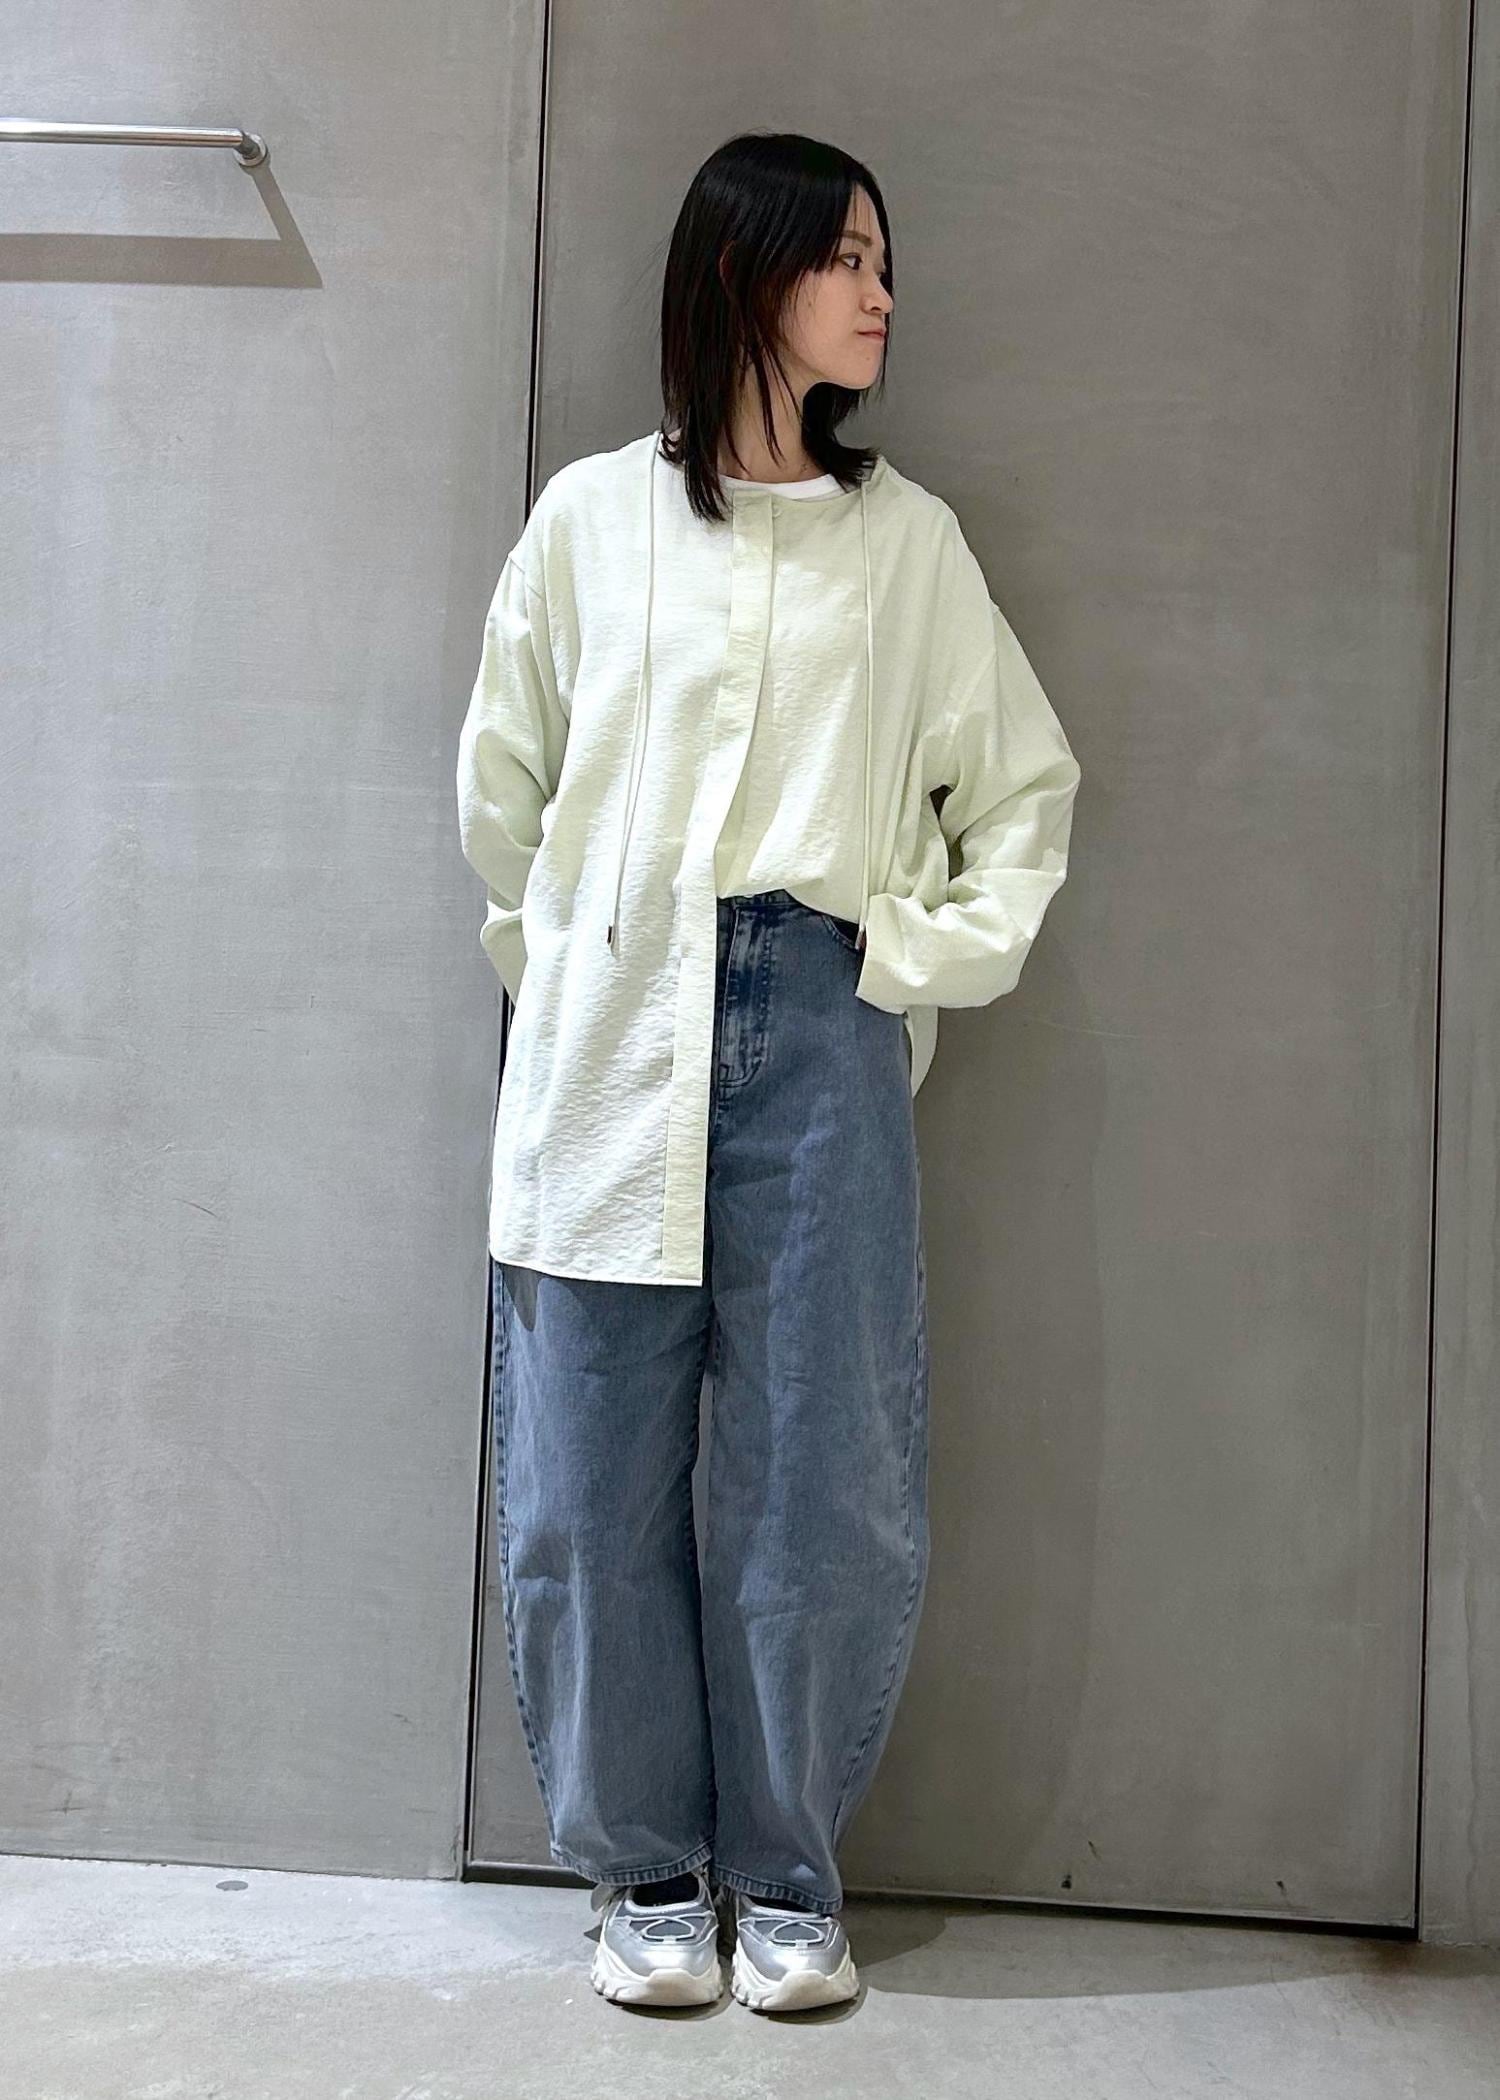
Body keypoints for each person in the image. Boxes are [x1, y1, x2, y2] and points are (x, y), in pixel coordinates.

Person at [455, 131, 1081, 2014]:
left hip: (819, 1018)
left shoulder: (907, 546)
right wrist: (571, 973)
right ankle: (644, 1869)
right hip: (609, 1034)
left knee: (822, 1476)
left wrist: (899, 964)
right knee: (587, 1477)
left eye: (886, 259)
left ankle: (788, 1873)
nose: (883, 293)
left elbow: (1022, 797)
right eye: (849, 256)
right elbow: (503, 789)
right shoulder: (591, 520)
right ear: (748, 271)